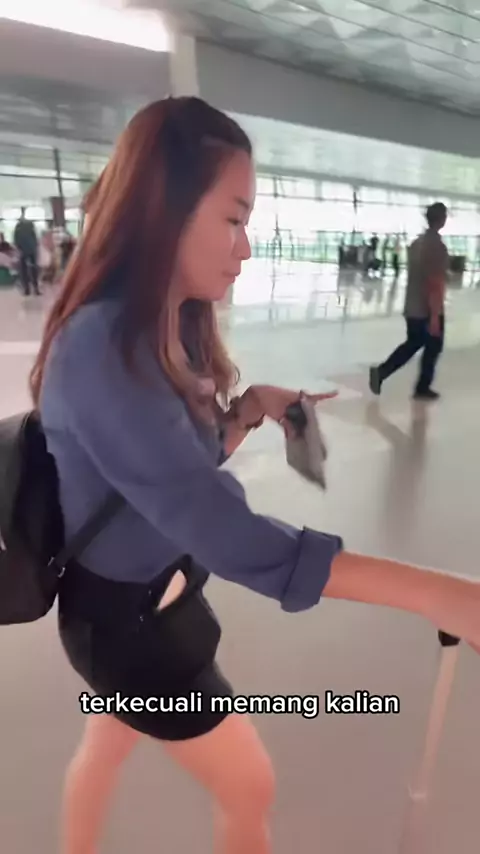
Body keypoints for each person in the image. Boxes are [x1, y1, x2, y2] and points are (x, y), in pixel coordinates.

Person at [30, 100, 480, 854]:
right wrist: (439, 593)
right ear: (164, 209)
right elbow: (223, 529)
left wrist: (244, 412)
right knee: (249, 784)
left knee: (105, 746)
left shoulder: (163, 327)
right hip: (125, 624)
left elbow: (167, 472)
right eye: (234, 219)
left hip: (146, 599)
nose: (245, 247)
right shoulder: (105, 350)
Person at [369, 203, 448, 401]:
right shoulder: (436, 246)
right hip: (426, 308)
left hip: (412, 305)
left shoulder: (416, 243)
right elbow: (434, 282)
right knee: (433, 346)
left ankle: (382, 372)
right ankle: (421, 387)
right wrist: (435, 316)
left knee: (414, 343)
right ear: (442, 219)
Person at [13, 207, 40, 295]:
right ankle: (35, 288)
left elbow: (16, 239)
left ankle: (27, 289)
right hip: (30, 249)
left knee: (24, 270)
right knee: (33, 269)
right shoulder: (29, 224)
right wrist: (35, 247)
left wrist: (18, 248)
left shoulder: (18, 226)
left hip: (24, 249)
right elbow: (34, 236)